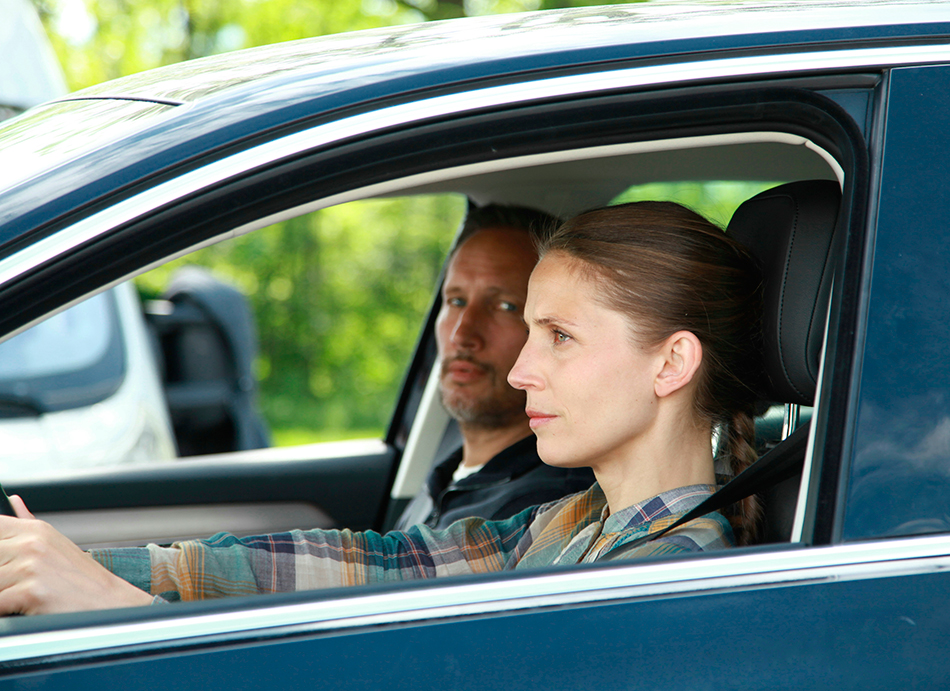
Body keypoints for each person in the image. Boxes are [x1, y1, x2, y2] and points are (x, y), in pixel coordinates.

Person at [0, 201, 764, 613]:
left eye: (559, 336)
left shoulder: (663, 584)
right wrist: (89, 566)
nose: (522, 368)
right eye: (529, 331)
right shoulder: (575, 523)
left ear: (672, 362)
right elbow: (386, 564)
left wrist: (117, 606)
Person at [395, 203, 594, 531]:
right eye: (456, 301)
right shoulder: (447, 474)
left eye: (504, 306)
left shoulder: (541, 510)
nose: (462, 335)